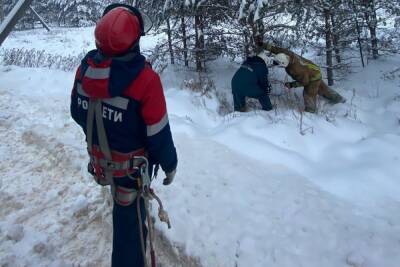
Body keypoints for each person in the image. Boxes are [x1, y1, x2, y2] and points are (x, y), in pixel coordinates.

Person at [70, 4, 178, 267]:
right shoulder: (145, 79)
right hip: (132, 172)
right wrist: (170, 164)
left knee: (126, 219)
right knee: (129, 234)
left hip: (103, 163)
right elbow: (158, 133)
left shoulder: (85, 69)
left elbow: (76, 111)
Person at [259, 43, 346, 113]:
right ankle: (339, 99)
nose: (275, 64)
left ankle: (310, 112)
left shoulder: (296, 69)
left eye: (278, 64)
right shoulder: (288, 55)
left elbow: (305, 82)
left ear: (283, 63)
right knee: (322, 89)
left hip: (312, 77)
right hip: (314, 70)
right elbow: (278, 50)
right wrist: (264, 45)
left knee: (309, 94)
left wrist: (291, 84)